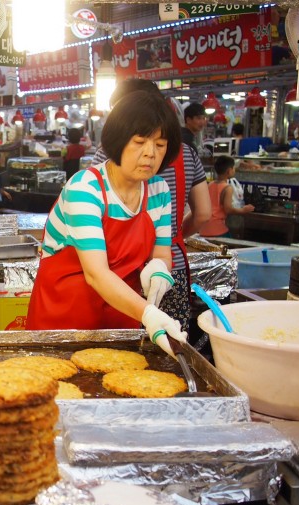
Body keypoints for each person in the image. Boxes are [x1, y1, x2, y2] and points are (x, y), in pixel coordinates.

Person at [26, 90, 187, 357]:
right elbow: (96, 274)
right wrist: (148, 313)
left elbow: (161, 251)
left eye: (160, 145)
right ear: (118, 141)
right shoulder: (86, 188)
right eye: (140, 142)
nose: (150, 154)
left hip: (121, 318)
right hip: (62, 324)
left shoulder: (159, 190)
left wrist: (159, 268)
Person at [91, 79, 211, 332]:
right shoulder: (188, 152)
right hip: (171, 267)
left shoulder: (112, 152)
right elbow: (203, 213)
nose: (150, 153)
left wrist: (160, 250)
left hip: (124, 271)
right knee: (169, 348)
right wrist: (173, 236)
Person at [199, 156, 254, 238]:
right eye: (233, 168)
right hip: (216, 229)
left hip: (203, 228)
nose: (234, 170)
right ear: (229, 171)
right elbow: (228, 209)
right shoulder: (227, 188)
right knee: (230, 246)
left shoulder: (210, 184)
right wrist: (243, 210)